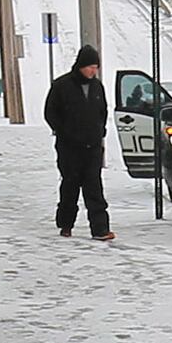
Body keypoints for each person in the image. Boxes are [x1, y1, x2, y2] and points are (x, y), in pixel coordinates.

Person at [42, 44, 114, 241]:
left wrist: (100, 132)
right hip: (69, 148)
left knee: (94, 188)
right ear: (81, 66)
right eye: (91, 66)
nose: (94, 70)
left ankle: (100, 229)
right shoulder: (62, 86)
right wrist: (63, 132)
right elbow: (50, 113)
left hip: (92, 147)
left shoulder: (97, 87)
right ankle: (66, 224)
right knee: (70, 186)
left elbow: (102, 111)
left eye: (96, 67)